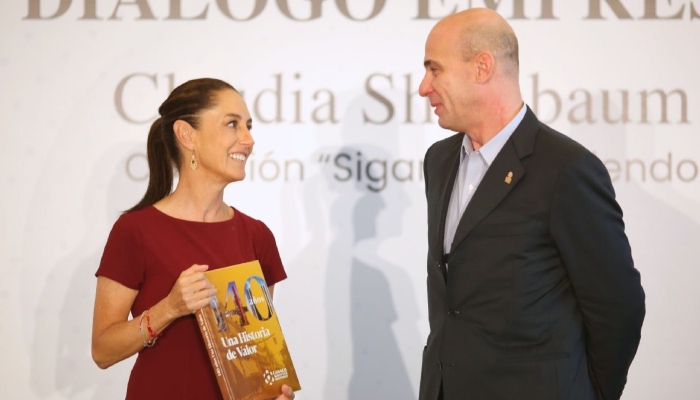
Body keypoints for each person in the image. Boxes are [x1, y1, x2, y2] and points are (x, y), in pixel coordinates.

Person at [417, 8, 645, 400]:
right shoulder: (439, 161)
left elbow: (618, 308)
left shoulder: (565, 169)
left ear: (482, 67)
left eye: (434, 69)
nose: (424, 87)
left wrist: (589, 393)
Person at [91, 78, 295, 400]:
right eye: (232, 124)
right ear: (187, 135)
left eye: (249, 126)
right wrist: (170, 308)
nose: (248, 139)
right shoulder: (135, 231)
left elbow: (253, 356)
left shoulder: (257, 236)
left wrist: (268, 393)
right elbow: (102, 351)